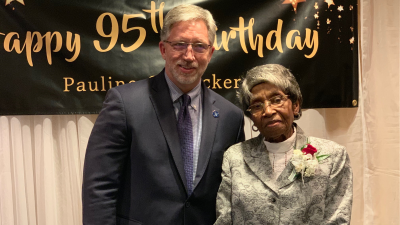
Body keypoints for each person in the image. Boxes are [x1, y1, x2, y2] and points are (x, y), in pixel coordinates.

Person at [82, 4, 245, 225]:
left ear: (210, 52)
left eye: (199, 46)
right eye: (179, 44)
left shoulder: (231, 116)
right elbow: (99, 187)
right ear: (163, 49)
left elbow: (233, 192)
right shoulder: (124, 103)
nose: (189, 56)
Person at [215, 64, 353, 224]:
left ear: (295, 105)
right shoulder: (235, 157)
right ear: (251, 116)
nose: (268, 111)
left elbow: (337, 221)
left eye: (277, 100)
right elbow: (224, 220)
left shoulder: (333, 157)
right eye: (257, 105)